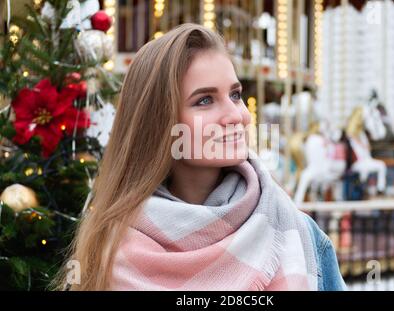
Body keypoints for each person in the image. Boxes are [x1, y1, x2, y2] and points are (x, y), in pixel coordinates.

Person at [54, 23, 346, 291]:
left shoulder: (299, 234)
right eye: (204, 100)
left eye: (235, 94)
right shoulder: (111, 250)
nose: (237, 115)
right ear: (158, 123)